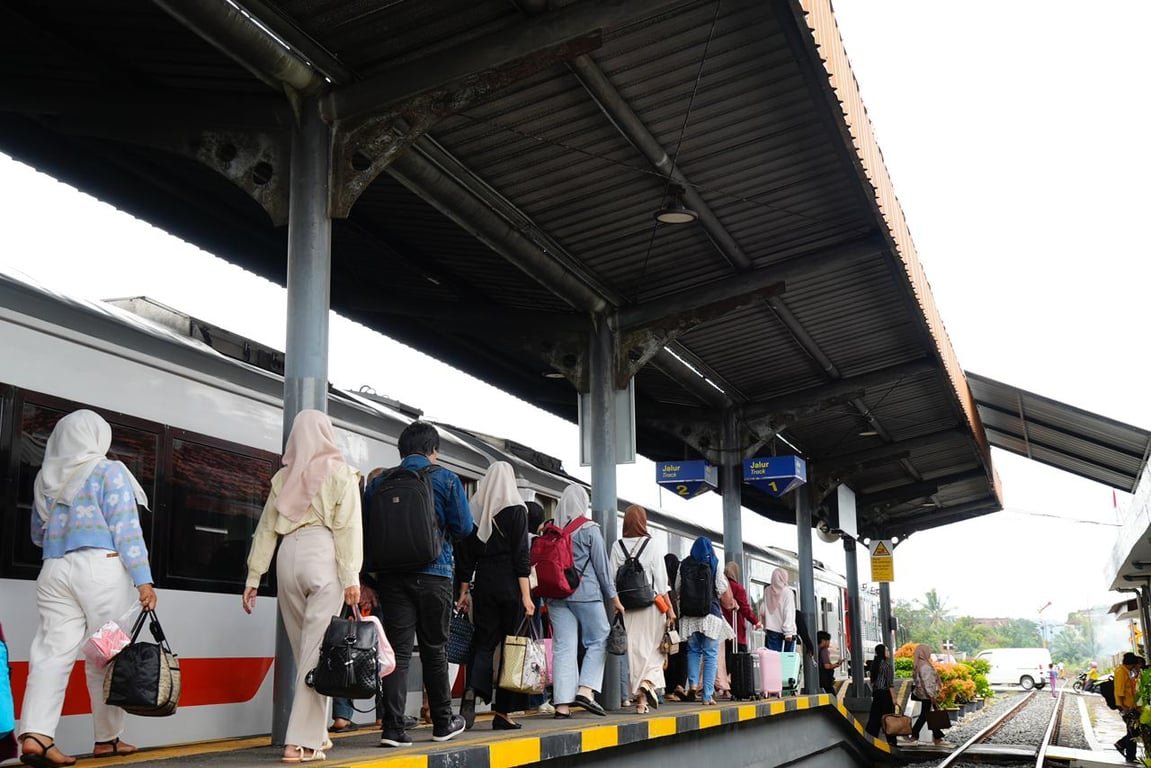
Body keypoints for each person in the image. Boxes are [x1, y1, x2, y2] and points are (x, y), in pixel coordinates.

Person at [18, 410, 156, 768]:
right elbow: (126, 529)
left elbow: (37, 535)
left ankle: (36, 735)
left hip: (54, 569)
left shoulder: (47, 478)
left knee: (51, 654)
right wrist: (143, 579)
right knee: (107, 653)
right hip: (101, 570)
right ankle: (107, 739)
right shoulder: (109, 471)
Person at [242, 409, 362, 763]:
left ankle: (317, 734)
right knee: (317, 653)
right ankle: (299, 743)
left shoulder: (283, 478)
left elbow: (266, 529)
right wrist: (351, 577)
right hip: (323, 555)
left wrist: (254, 576)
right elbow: (348, 529)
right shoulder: (340, 472)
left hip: (286, 558)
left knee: (304, 651)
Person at [367, 422, 472, 747]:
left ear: (401, 450)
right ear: (432, 450)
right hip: (434, 574)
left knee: (397, 652)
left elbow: (367, 527)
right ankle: (442, 722)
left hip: (392, 577)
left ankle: (393, 728)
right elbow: (464, 527)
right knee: (435, 649)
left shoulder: (380, 482)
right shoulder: (446, 479)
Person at [455, 462, 534, 731]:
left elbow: (465, 557)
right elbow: (521, 556)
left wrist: (464, 591)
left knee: (484, 642)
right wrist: (526, 596)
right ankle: (503, 712)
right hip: (511, 584)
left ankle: (471, 690)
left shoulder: (475, 510)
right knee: (512, 646)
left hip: (484, 583)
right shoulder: (517, 509)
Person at [547, 485, 624, 719]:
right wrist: (614, 599)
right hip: (585, 594)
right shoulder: (590, 529)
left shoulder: (551, 530)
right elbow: (602, 569)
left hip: (556, 596)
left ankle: (561, 705)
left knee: (564, 647)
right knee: (600, 637)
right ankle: (586, 689)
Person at [610, 505, 674, 714]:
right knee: (655, 651)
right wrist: (670, 610)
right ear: (643, 522)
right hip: (652, 606)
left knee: (636, 655)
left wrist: (616, 605)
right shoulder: (652, 545)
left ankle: (641, 701)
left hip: (628, 608)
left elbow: (611, 580)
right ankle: (647, 684)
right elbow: (662, 584)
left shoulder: (617, 546)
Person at [677, 537, 734, 706]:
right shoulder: (714, 563)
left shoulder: (684, 564)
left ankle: (693, 685)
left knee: (693, 651)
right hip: (710, 614)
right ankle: (707, 696)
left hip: (690, 615)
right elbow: (721, 587)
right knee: (710, 655)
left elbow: (678, 587)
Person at [722, 562, 760, 679]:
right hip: (736, 631)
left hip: (722, 631)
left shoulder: (720, 587)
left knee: (724, 660)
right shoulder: (738, 588)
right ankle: (734, 682)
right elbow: (745, 608)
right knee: (738, 662)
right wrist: (756, 621)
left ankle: (725, 682)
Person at [906, 643, 947, 746]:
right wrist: (931, 695)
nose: (929, 653)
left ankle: (937, 736)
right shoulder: (925, 666)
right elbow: (927, 682)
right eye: (928, 651)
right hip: (927, 695)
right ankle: (915, 735)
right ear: (923, 653)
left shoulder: (918, 664)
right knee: (925, 715)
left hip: (922, 694)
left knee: (926, 715)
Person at [662, 554, 687, 701]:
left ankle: (666, 689)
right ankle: (676, 687)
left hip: (663, 626)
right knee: (679, 655)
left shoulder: (662, 584)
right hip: (677, 626)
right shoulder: (678, 585)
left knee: (665, 657)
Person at [863, 644, 897, 745]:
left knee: (875, 718)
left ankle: (870, 740)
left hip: (877, 694)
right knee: (888, 718)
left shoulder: (875, 664)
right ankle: (891, 742)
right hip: (885, 695)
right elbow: (890, 684)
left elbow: (873, 682)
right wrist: (894, 698)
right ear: (883, 652)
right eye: (887, 650)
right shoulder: (887, 666)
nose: (888, 652)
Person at [1113, 652, 1144, 761]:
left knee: (1133, 730)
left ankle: (1122, 746)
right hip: (1125, 706)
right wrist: (1123, 707)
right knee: (1132, 731)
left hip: (1129, 706)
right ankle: (1130, 755)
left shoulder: (1127, 672)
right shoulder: (1121, 672)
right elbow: (1120, 691)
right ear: (1131, 664)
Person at [761, 568, 796, 652]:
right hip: (786, 632)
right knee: (787, 659)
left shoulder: (767, 591)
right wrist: (788, 632)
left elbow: (763, 610)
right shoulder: (787, 592)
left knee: (773, 658)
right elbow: (788, 612)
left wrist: (765, 626)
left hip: (771, 630)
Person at [817, 631, 836, 696]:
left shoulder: (816, 649)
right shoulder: (824, 650)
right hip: (825, 681)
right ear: (823, 641)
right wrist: (836, 664)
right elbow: (827, 666)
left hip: (818, 680)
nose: (829, 642)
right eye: (828, 640)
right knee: (832, 697)